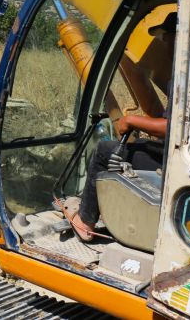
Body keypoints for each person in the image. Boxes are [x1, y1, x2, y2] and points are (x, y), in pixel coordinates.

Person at [65, 12, 176, 242]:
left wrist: (132, 121)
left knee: (105, 151)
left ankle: (85, 221)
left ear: (180, 37)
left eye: (166, 37)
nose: (164, 43)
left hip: (175, 163)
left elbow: (173, 128)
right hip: (182, 156)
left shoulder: (187, 77)